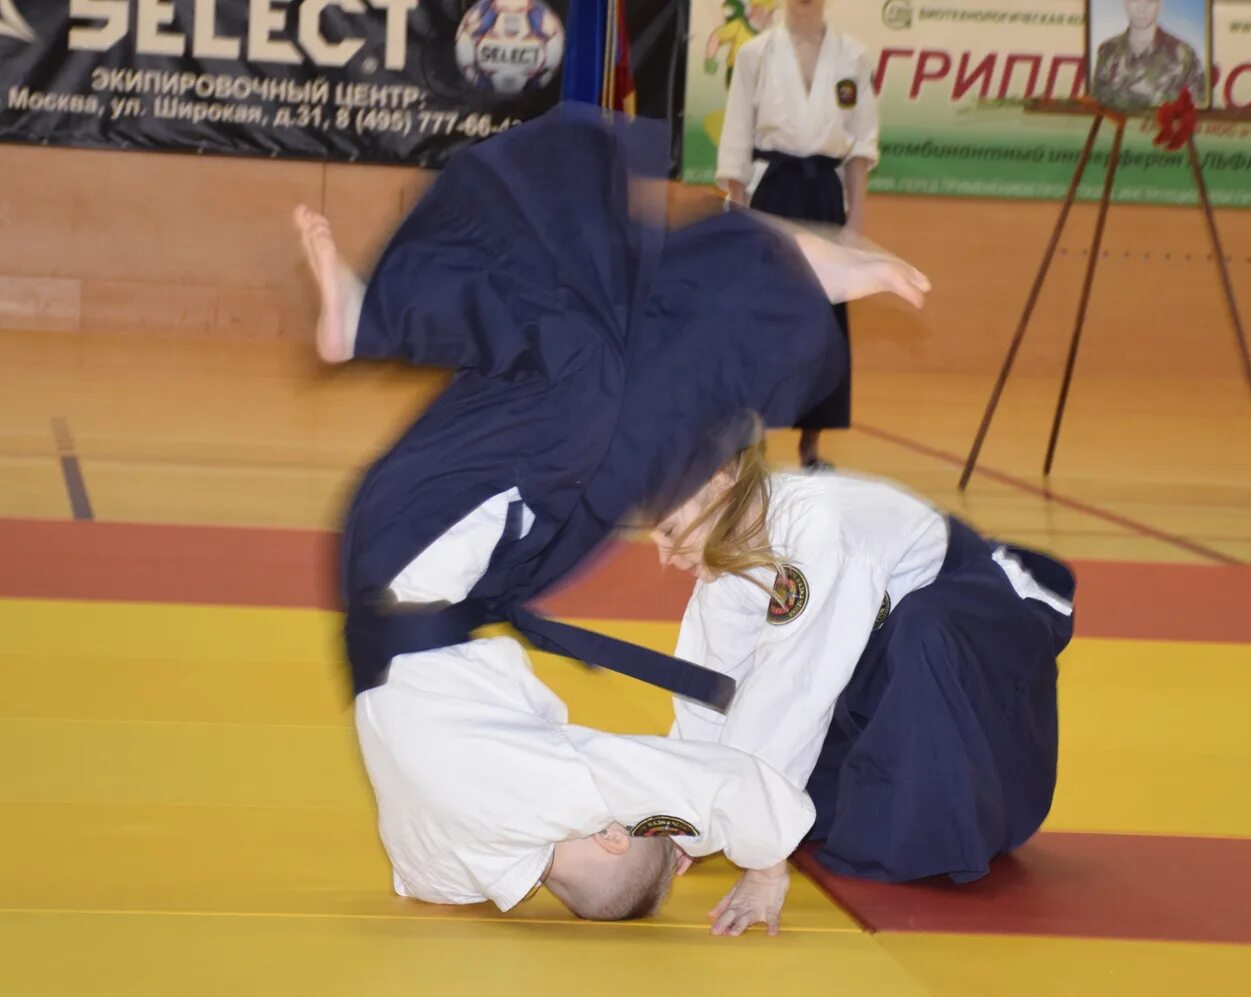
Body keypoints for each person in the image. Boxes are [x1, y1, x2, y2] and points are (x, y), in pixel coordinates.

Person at [295, 103, 928, 933]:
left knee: (581, 365)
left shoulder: (555, 792)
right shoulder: (455, 858)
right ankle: (772, 278)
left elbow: (713, 783)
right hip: (414, 558)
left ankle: (380, 313)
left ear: (609, 832)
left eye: (629, 821)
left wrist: (764, 859)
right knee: (610, 424)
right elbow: (428, 880)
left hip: (428, 549)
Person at [652, 449, 1075, 891]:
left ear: (720, 480)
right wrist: (685, 818)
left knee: (923, 629)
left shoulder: (819, 527)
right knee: (800, 802)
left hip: (989, 622)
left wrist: (762, 855)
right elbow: (710, 698)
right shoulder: (728, 572)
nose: (664, 556)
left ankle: (960, 813)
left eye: (669, 530)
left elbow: (796, 689)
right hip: (888, 668)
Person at [716, 0, 880, 471]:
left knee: (824, 322)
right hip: (771, 192)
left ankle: (811, 447)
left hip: (826, 195)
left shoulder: (852, 56)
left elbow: (860, 145)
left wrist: (855, 220)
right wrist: (737, 214)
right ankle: (750, 440)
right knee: (761, 319)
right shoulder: (756, 54)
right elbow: (736, 139)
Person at [1092, 0, 1207, 111]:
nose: (1142, 8)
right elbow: (1095, 106)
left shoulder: (1184, 55)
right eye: (1135, 0)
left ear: (1160, 4)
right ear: (1125, 2)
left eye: (1150, 0)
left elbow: (1198, 111)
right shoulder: (1108, 51)